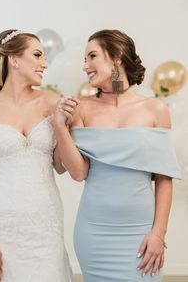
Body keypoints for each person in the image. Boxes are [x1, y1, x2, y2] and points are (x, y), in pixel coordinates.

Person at [53, 29, 181, 282]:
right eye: (84, 59)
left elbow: (164, 178)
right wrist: (59, 126)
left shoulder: (155, 109)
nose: (85, 66)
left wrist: (158, 233)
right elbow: (76, 172)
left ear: (117, 57)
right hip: (94, 232)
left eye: (92, 56)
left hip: (140, 233)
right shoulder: (81, 108)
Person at [0, 29, 74, 282]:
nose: (44, 64)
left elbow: (61, 167)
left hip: (46, 224)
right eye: (37, 55)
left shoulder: (52, 102)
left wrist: (60, 125)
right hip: (1, 224)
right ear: (14, 59)